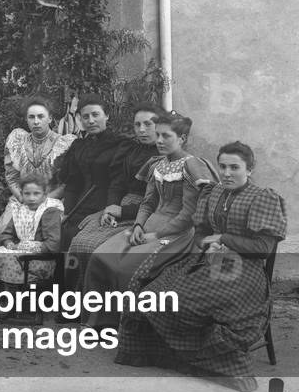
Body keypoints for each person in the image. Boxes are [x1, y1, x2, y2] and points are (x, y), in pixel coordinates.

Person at [115, 141, 287, 392]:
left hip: (245, 272)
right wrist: (207, 243)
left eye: (235, 167)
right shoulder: (215, 193)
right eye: (223, 166)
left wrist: (224, 239)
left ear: (249, 169)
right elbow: (201, 232)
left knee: (188, 301)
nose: (227, 173)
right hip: (209, 262)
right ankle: (169, 355)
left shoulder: (263, 197)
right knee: (152, 290)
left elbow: (263, 247)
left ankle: (215, 365)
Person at [81, 112, 214, 328]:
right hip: (149, 225)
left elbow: (188, 215)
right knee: (99, 257)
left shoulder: (192, 166)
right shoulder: (156, 165)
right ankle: (100, 321)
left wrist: (157, 235)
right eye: (158, 135)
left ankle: (129, 327)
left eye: (166, 136)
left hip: (177, 235)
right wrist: (138, 226)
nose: (159, 141)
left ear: (182, 139)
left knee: (126, 268)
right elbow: (148, 203)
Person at [65, 103, 163, 291]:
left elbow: (158, 201)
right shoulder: (131, 150)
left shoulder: (165, 156)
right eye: (137, 125)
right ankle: (76, 301)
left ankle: (100, 306)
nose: (141, 130)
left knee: (97, 247)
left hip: (144, 214)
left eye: (148, 124)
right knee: (79, 241)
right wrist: (110, 208)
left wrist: (123, 211)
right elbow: (117, 184)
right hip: (120, 207)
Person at [50, 95, 139, 253]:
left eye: (95, 115)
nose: (90, 121)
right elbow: (73, 184)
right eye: (85, 117)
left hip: (106, 207)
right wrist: (67, 213)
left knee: (77, 238)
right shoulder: (79, 146)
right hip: (78, 208)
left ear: (106, 116)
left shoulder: (121, 146)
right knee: (59, 233)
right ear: (81, 120)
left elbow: (117, 184)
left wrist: (106, 211)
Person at [0, 95, 76, 247]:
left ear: (50, 119)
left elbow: (67, 182)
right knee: (1, 232)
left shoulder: (64, 144)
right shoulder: (17, 141)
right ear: (26, 119)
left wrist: (43, 201)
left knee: (48, 233)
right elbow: (12, 177)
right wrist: (23, 198)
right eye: (31, 117)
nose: (36, 121)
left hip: (52, 200)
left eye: (41, 116)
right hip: (23, 199)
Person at [0, 175, 63, 312]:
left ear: (45, 194)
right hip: (21, 253)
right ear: (21, 194)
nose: (31, 198)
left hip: (40, 259)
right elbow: (6, 234)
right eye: (27, 194)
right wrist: (9, 243)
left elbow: (53, 244)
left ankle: (11, 302)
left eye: (36, 193)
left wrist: (32, 248)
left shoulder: (50, 211)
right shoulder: (20, 211)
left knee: (10, 258)